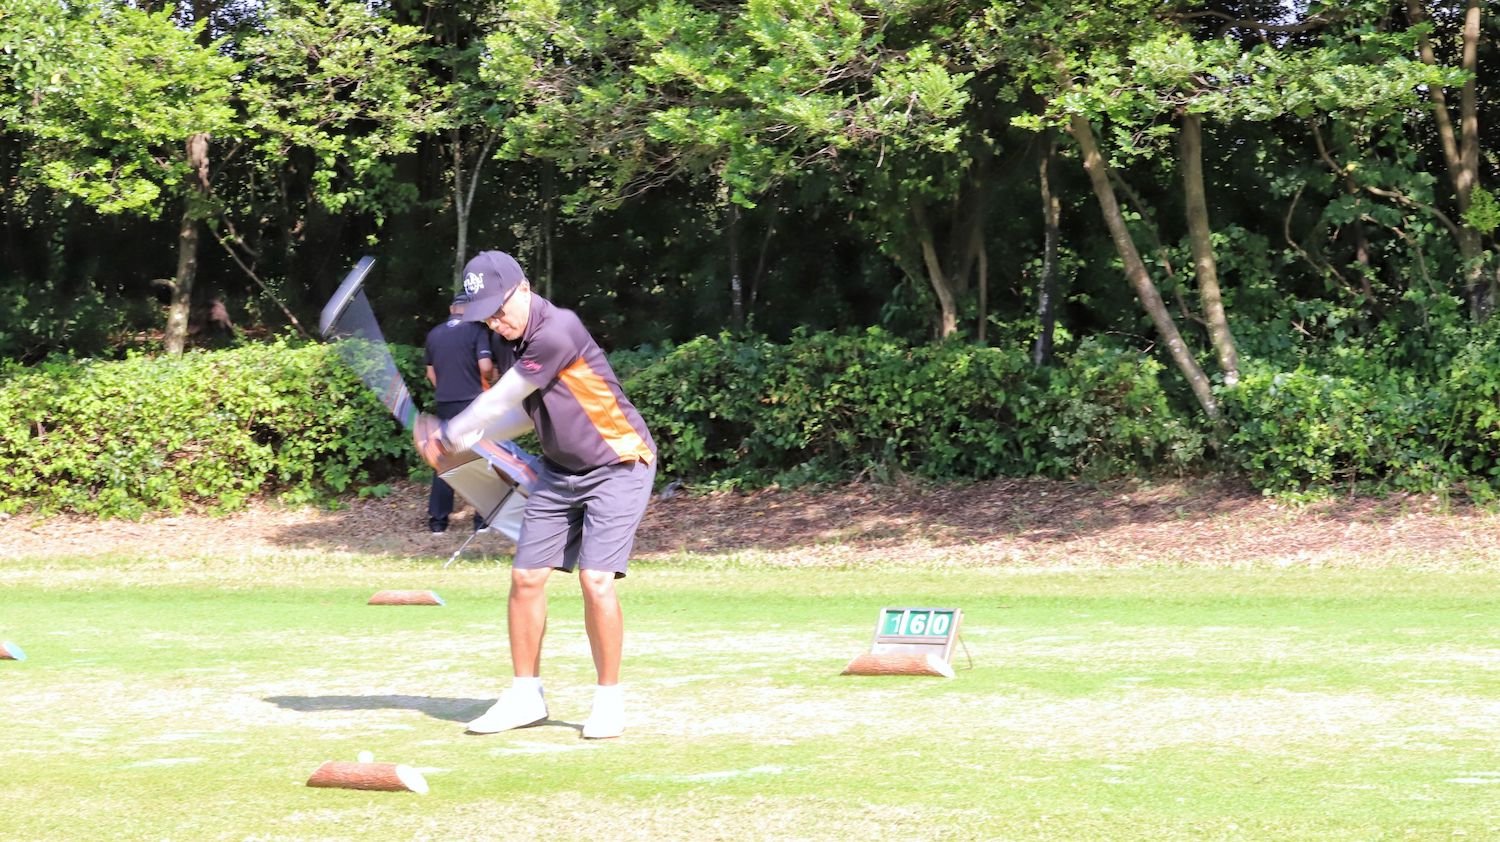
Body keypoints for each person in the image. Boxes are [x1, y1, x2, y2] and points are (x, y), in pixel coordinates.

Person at [413, 250, 656, 740]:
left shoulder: (557, 329)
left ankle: (609, 701)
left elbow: (502, 398)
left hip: (618, 463)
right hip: (559, 471)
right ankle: (526, 696)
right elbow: (524, 414)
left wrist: (453, 432)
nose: (495, 323)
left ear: (523, 289)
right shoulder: (507, 339)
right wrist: (462, 441)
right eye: (486, 316)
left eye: (499, 310)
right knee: (526, 577)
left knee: (595, 579)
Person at [422, 292, 497, 533]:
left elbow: (430, 373)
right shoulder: (477, 330)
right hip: (472, 403)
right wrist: (491, 379)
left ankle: (438, 521)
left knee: (445, 457)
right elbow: (485, 366)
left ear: (451, 308)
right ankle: (481, 520)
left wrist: (445, 389)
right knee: (479, 457)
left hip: (445, 402)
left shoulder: (434, 334)